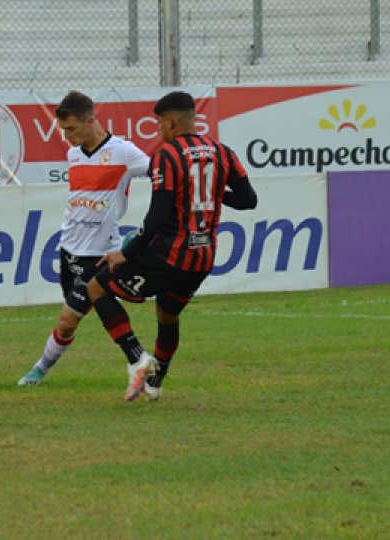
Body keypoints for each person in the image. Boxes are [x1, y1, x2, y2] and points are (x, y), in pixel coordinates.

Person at [85, 91, 258, 402]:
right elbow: (248, 200)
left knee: (96, 288)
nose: (160, 131)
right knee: (168, 315)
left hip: (167, 255)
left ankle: (137, 358)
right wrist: (213, 191)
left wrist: (126, 252)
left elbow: (157, 217)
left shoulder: (167, 155)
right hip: (201, 259)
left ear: (172, 122)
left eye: (160, 125)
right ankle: (156, 382)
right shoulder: (223, 152)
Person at [17, 91, 149, 387]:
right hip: (70, 250)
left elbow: (161, 175)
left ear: (91, 120)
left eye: (72, 129)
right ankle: (139, 361)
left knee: (82, 309)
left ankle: (138, 360)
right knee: (69, 322)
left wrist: (142, 232)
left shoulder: (124, 152)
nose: (67, 136)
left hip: (101, 252)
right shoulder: (73, 154)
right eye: (63, 130)